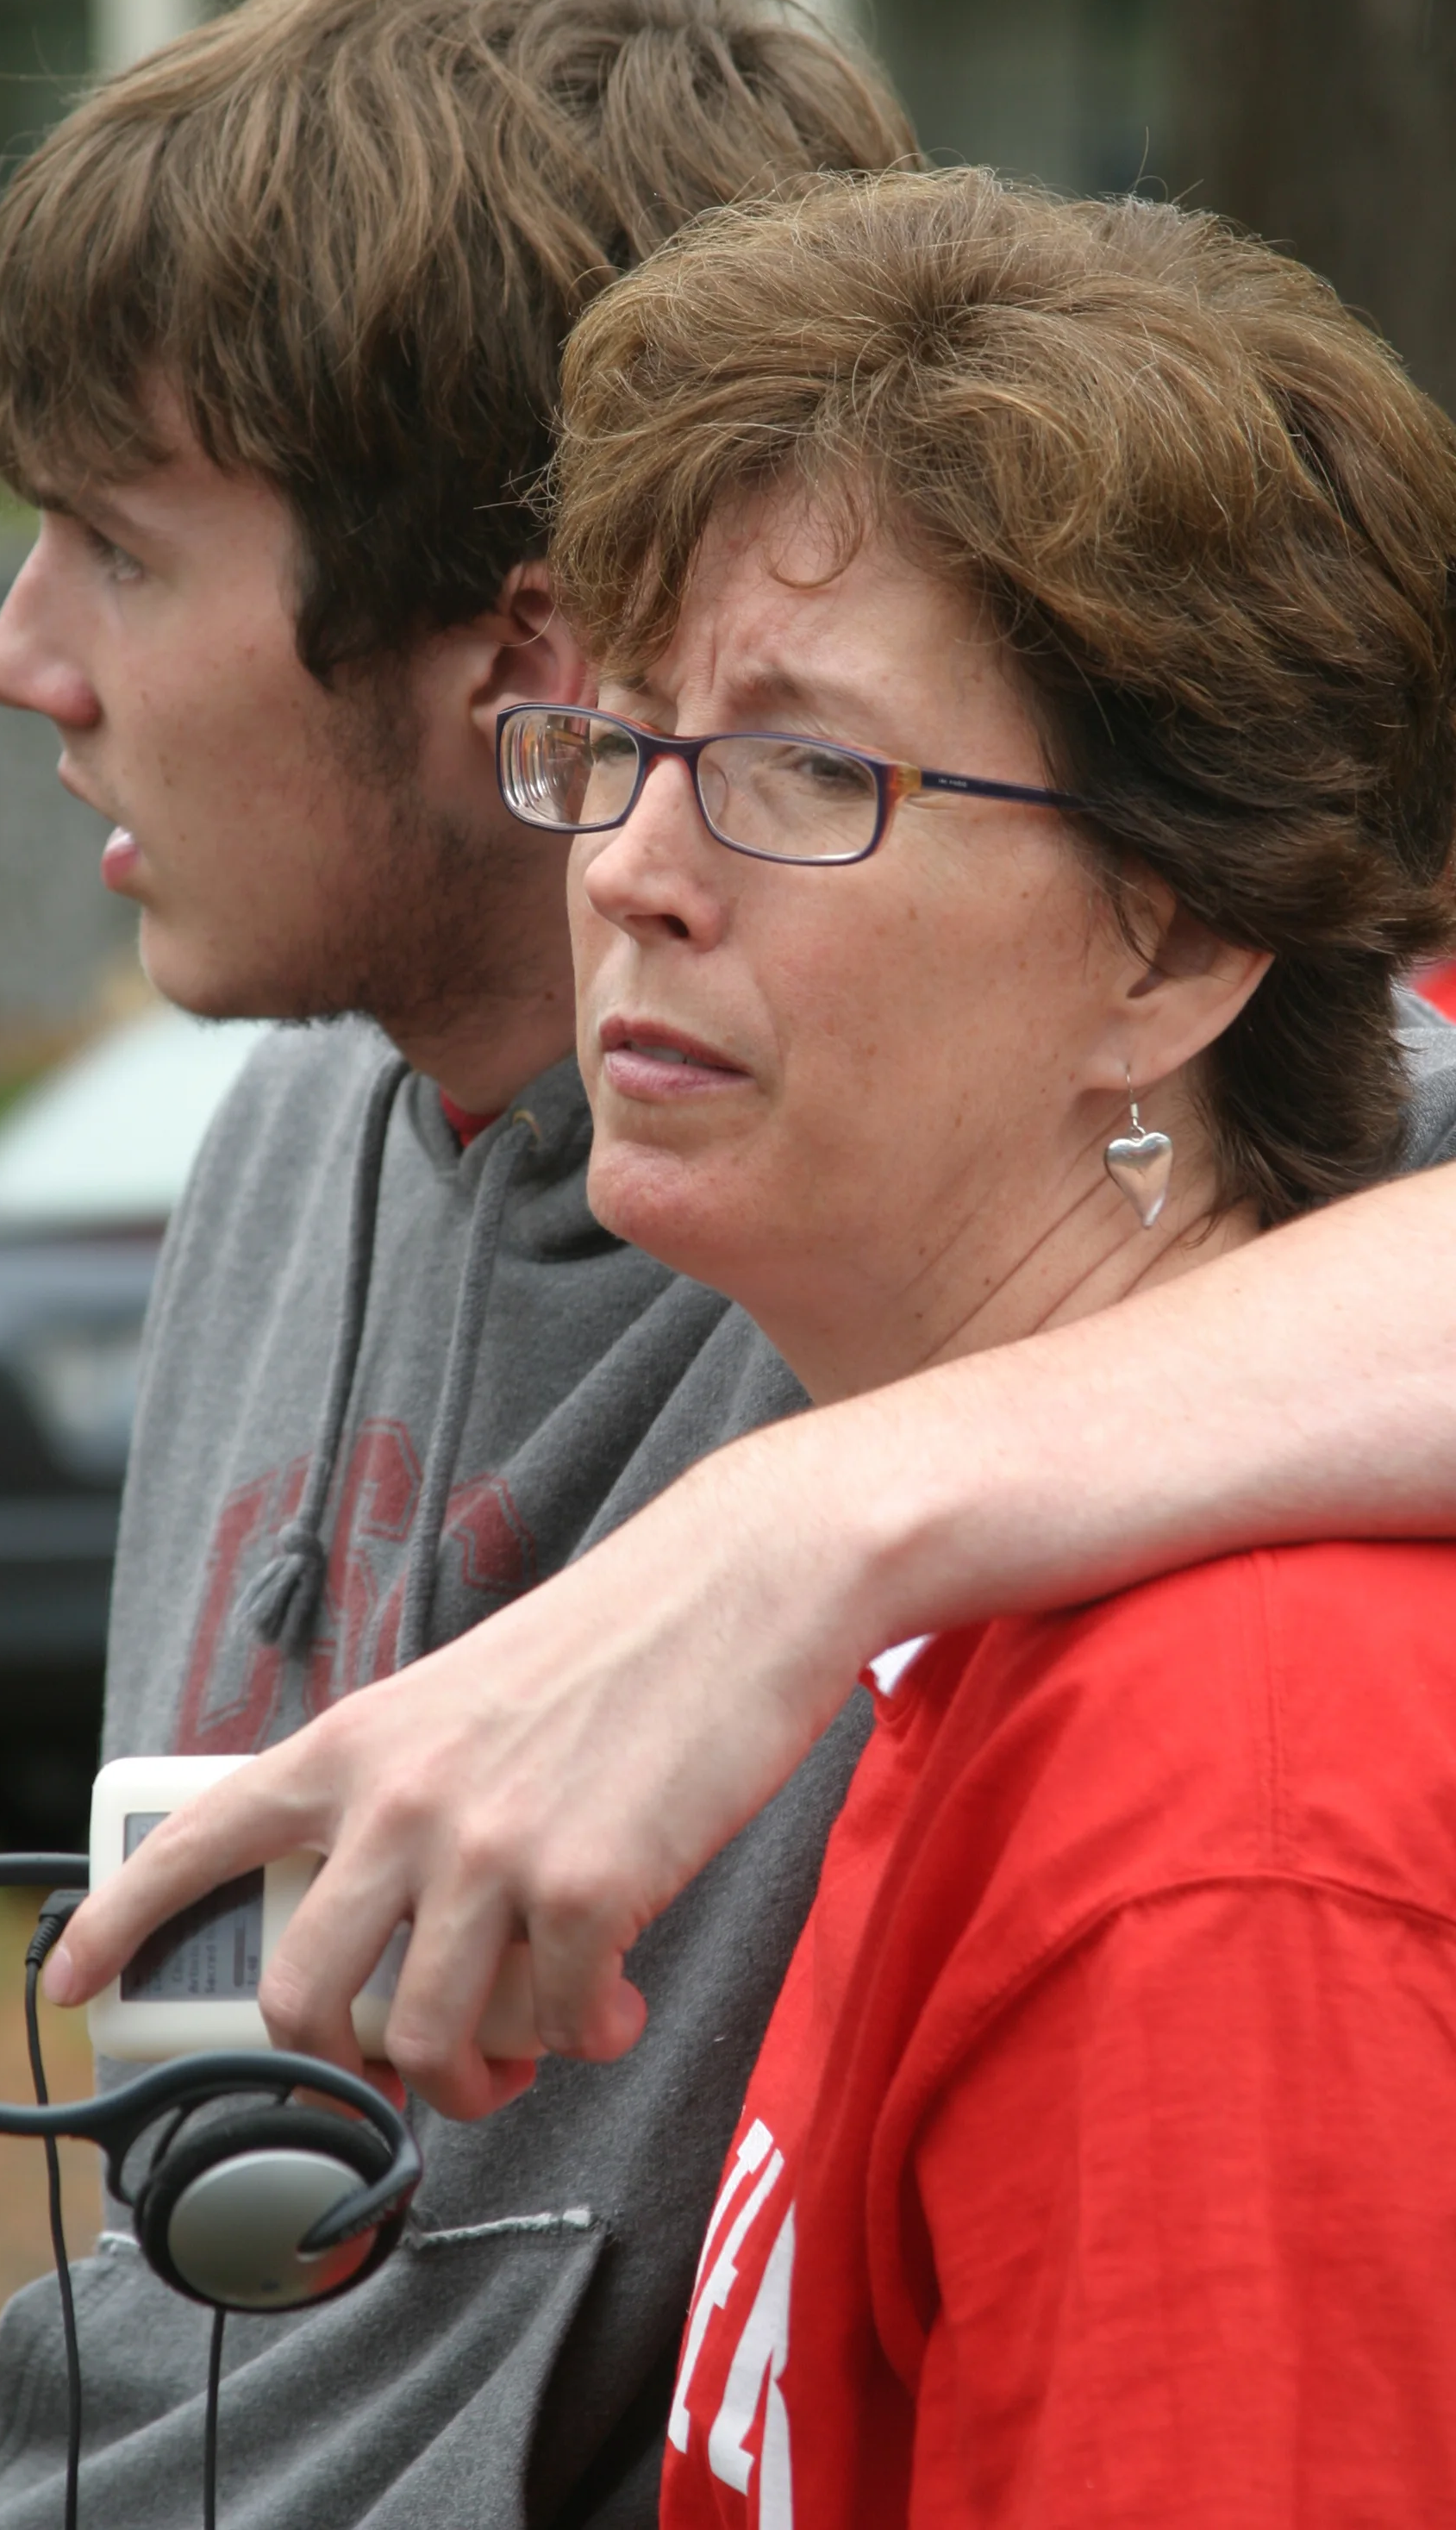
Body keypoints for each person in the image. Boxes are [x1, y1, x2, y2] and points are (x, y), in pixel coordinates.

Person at [0, 0, 1456, 2530]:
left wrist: (788, 1530)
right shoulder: (317, 1140)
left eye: (119, 542)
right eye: (631, 748)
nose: (18, 659)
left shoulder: (1082, 1327)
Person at [513, 166, 1456, 2521]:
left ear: (1174, 949)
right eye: (621, 735)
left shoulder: (1222, 1815)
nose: (631, 865)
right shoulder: (1004, 1630)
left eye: (807, 770)